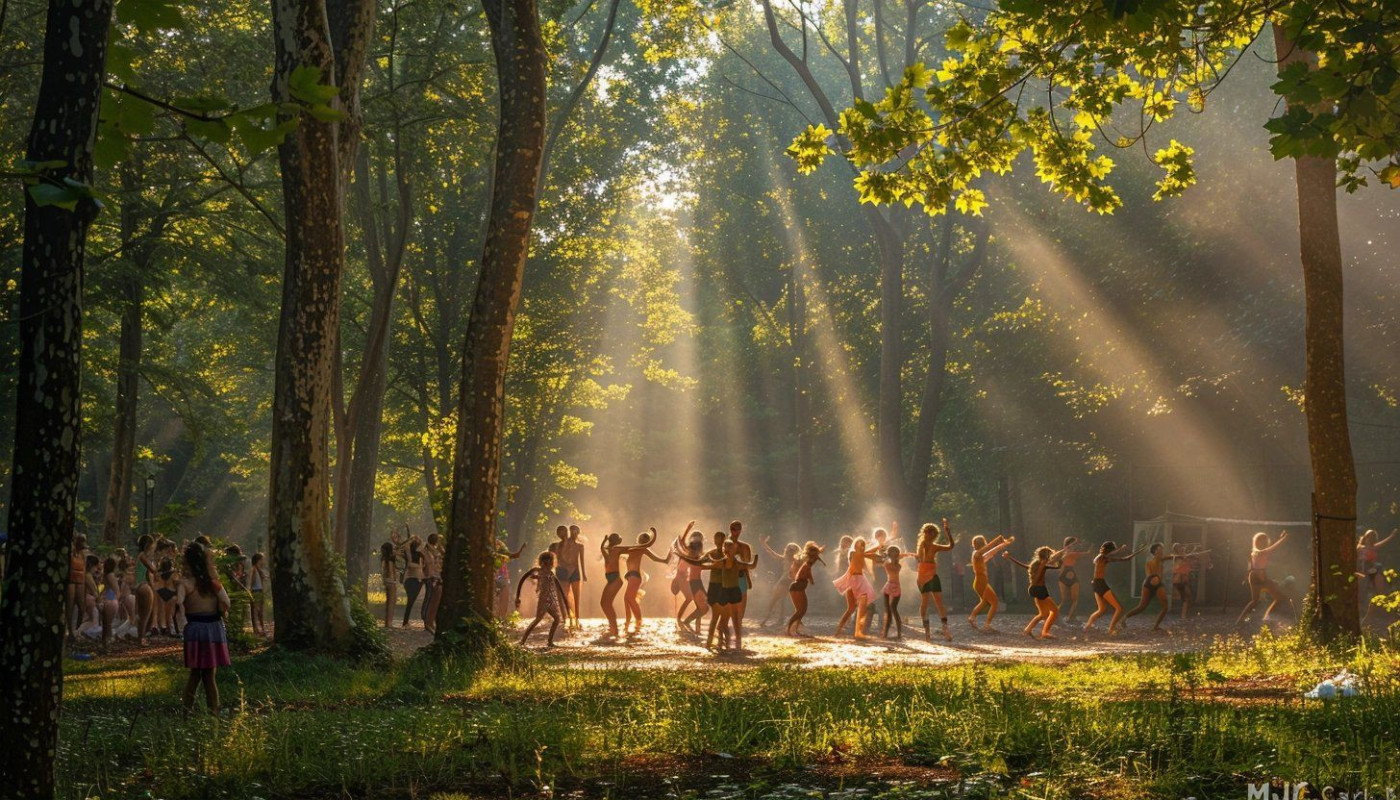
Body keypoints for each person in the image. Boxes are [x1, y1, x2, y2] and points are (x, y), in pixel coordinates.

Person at [177, 541, 231, 715]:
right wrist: (221, 612)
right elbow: (226, 602)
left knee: (195, 673)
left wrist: (181, 626)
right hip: (213, 628)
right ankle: (214, 710)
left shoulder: (184, 584)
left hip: (194, 629)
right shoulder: (213, 583)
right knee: (210, 674)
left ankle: (187, 709)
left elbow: (179, 604)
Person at [1002, 541, 1072, 638]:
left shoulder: (1036, 563)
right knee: (1054, 611)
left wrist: (1010, 558)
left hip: (1035, 589)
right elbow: (1037, 577)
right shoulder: (1041, 564)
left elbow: (1025, 566)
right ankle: (1045, 632)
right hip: (1039, 590)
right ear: (1046, 557)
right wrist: (1043, 567)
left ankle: (1028, 630)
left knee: (1043, 614)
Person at [1083, 540, 1144, 635]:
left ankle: (1087, 627)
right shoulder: (1101, 557)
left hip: (1096, 583)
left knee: (1101, 609)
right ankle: (1111, 629)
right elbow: (1109, 556)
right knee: (1119, 608)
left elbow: (1125, 559)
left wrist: (1136, 552)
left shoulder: (1102, 558)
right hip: (1100, 584)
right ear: (1109, 550)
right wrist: (1120, 549)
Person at [1236, 531, 1294, 625]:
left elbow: (1254, 565)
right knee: (1255, 600)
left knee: (1278, 597)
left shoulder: (1259, 551)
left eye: (1264, 541)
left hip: (1261, 576)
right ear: (1257, 542)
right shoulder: (1257, 551)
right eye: (1261, 541)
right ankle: (1240, 621)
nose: (1263, 543)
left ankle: (1266, 617)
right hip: (1256, 577)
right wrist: (1283, 539)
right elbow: (1272, 548)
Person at [622, 529, 671, 634]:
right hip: (631, 577)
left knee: (630, 598)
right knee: (627, 599)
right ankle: (628, 621)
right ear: (638, 539)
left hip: (635, 577)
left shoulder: (643, 549)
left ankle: (638, 621)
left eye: (645, 539)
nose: (642, 540)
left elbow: (655, 558)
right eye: (642, 538)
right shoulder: (632, 548)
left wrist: (654, 534)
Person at [515, 551, 568, 646]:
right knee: (538, 619)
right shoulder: (538, 571)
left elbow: (560, 589)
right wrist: (518, 596)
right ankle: (522, 641)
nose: (548, 565)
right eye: (546, 563)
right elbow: (523, 579)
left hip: (551, 600)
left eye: (550, 563)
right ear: (542, 563)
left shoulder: (551, 574)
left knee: (556, 619)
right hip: (543, 600)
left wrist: (566, 603)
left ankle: (549, 642)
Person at [914, 519, 956, 641]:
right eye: (929, 533)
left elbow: (950, 546)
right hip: (922, 577)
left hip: (933, 575)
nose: (931, 536)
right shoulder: (920, 546)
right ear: (925, 533)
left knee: (939, 602)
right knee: (925, 602)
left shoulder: (934, 546)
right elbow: (919, 559)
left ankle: (945, 628)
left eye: (933, 534)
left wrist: (948, 532)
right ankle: (927, 631)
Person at [833, 538, 882, 638]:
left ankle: (858, 632)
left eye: (863, 545)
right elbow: (866, 554)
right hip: (854, 580)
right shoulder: (853, 553)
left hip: (861, 580)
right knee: (850, 609)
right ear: (855, 546)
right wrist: (877, 547)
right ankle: (838, 631)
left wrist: (877, 555)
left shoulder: (863, 554)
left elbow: (870, 555)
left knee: (861, 606)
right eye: (860, 545)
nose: (862, 547)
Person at [967, 535, 1014, 631]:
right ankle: (986, 625)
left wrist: (1002, 544)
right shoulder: (976, 554)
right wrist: (997, 539)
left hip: (982, 582)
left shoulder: (979, 556)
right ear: (982, 544)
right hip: (980, 582)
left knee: (985, 602)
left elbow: (990, 552)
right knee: (994, 602)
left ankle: (972, 618)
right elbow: (987, 548)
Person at [671, 523, 708, 633]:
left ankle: (696, 628)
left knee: (699, 605)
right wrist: (688, 529)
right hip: (681, 577)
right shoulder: (688, 550)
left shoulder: (699, 553)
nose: (698, 544)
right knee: (691, 599)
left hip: (688, 578)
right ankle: (680, 620)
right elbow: (681, 542)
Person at [759, 537, 802, 627]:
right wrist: (764, 544)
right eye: (789, 550)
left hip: (786, 580)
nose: (789, 552)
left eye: (791, 550)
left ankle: (768, 618)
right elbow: (772, 553)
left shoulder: (796, 560)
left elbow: (773, 554)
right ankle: (780, 619)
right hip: (790, 580)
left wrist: (764, 544)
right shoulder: (791, 559)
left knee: (774, 600)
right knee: (782, 600)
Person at [784, 542, 824, 636]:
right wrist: (810, 579)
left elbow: (807, 571)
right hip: (797, 587)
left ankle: (795, 629)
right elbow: (803, 572)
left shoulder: (808, 563)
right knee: (800, 610)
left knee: (802, 610)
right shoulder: (808, 562)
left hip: (799, 587)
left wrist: (811, 579)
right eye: (816, 555)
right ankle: (789, 629)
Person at [1358, 528, 1396, 622]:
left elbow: (1384, 542)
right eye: (1368, 537)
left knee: (1380, 581)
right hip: (1362, 572)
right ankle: (1363, 610)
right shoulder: (1360, 548)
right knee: (1362, 590)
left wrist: (1392, 536)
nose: (1369, 539)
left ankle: (1383, 606)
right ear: (1365, 537)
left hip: (1372, 572)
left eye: (1372, 538)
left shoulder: (1373, 547)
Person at [880, 545, 917, 639]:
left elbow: (899, 556)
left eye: (895, 552)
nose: (893, 554)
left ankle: (899, 633)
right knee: (888, 611)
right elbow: (882, 556)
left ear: (897, 554)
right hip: (888, 586)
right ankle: (885, 634)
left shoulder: (898, 565)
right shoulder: (886, 563)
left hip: (896, 586)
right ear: (889, 554)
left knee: (894, 609)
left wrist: (909, 554)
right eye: (891, 552)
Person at [1055, 538, 1093, 622]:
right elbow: (1087, 554)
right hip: (1068, 575)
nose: (1075, 546)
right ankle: (1068, 617)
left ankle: (1058, 616)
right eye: (1073, 544)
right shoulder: (1071, 553)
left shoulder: (1062, 553)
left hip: (1063, 577)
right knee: (1073, 600)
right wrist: (1091, 547)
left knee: (1065, 600)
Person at [728, 521, 757, 624]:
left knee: (742, 609)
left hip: (741, 578)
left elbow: (746, 565)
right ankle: (727, 630)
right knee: (729, 609)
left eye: (738, 529)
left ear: (741, 530)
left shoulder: (745, 547)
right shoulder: (725, 545)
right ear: (730, 529)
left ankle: (737, 628)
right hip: (729, 579)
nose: (736, 531)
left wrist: (748, 579)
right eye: (733, 528)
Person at [67, 534, 89, 641]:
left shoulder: (82, 555)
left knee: (82, 607)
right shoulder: (69, 553)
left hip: (80, 582)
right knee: (69, 607)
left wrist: (84, 586)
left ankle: (77, 629)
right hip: (71, 581)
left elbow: (84, 571)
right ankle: (70, 631)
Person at [401, 535, 425, 627]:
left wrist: (418, 539)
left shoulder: (419, 553)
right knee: (410, 601)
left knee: (412, 601)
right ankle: (405, 622)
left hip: (418, 580)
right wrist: (411, 539)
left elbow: (422, 545)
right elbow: (410, 564)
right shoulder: (408, 553)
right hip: (411, 579)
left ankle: (406, 621)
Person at [422, 533, 444, 634]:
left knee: (436, 602)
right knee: (432, 601)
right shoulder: (429, 551)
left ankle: (431, 622)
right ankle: (428, 622)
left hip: (437, 577)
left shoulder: (435, 551)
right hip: (433, 578)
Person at [379, 540, 400, 628]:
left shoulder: (383, 558)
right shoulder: (391, 559)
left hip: (386, 581)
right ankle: (389, 623)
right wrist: (394, 580)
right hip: (391, 582)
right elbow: (391, 571)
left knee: (388, 602)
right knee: (392, 602)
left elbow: (383, 570)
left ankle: (387, 622)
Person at [249, 552, 267, 637]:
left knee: (260, 612)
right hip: (255, 591)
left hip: (260, 591)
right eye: (261, 559)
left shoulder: (259, 570)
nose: (263, 561)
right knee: (255, 611)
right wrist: (250, 591)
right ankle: (256, 630)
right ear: (258, 560)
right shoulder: (253, 569)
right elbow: (251, 581)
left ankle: (262, 629)